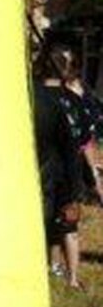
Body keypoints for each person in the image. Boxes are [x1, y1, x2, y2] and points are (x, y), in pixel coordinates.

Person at [39, 44, 93, 287]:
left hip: (42, 170)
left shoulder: (31, 97)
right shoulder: (71, 101)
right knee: (68, 226)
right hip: (63, 172)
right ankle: (70, 277)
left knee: (49, 224)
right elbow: (82, 142)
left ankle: (54, 267)